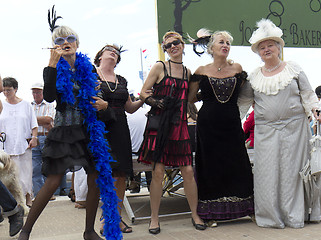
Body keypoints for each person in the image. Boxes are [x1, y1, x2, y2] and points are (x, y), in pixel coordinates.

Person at [18, 22, 117, 240]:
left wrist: (102, 103)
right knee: (53, 181)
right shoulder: (53, 68)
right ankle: (25, 231)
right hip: (64, 130)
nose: (65, 43)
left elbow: (96, 94)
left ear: (77, 42)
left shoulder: (88, 67)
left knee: (95, 177)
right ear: (54, 47)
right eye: (59, 41)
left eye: (69, 38)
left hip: (88, 129)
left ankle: (89, 231)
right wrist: (51, 66)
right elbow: (51, 96)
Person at [241, 18, 321, 228]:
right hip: (265, 132)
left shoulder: (294, 69)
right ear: (258, 52)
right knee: (267, 173)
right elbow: (244, 103)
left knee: (294, 172)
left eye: (270, 45)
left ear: (279, 47)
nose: (266, 49)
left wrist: (315, 111)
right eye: (262, 47)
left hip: (296, 129)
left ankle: (295, 214)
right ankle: (271, 216)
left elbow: (308, 95)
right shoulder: (253, 77)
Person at [138, 31, 206, 234]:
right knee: (158, 172)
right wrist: (155, 101)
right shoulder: (160, 66)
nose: (173, 47)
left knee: (188, 171)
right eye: (168, 45)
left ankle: (195, 214)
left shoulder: (187, 71)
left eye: (176, 43)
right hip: (159, 123)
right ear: (165, 49)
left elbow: (190, 98)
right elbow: (143, 92)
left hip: (180, 124)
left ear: (183, 45)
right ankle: (154, 218)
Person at [188, 29, 254, 225]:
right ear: (211, 48)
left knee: (238, 162)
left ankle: (246, 208)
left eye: (227, 43)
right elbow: (191, 98)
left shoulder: (238, 69)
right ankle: (210, 214)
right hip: (208, 125)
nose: (225, 45)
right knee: (209, 165)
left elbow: (242, 94)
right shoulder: (200, 70)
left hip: (232, 123)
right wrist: (206, 96)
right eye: (221, 42)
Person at [92, 44, 145, 234]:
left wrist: (144, 99)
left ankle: (116, 217)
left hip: (121, 128)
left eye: (117, 51)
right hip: (100, 128)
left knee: (121, 173)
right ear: (100, 55)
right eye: (109, 49)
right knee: (105, 173)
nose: (114, 52)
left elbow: (129, 107)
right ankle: (106, 218)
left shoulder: (121, 80)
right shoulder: (91, 74)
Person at [0, 77, 38, 208]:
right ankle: (11, 202)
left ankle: (27, 197)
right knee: (7, 175)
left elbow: (34, 124)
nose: (6, 93)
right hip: (5, 146)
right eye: (4, 90)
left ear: (16, 89)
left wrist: (34, 137)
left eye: (9, 90)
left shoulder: (26, 105)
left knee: (25, 173)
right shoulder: (1, 104)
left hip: (23, 144)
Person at [30, 83, 56, 198]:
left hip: (46, 137)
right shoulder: (29, 105)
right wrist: (41, 121)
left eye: (38, 92)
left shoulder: (50, 104)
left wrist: (33, 120)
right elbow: (44, 121)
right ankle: (39, 194)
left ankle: (49, 193)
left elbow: (48, 119)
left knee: (48, 166)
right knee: (35, 168)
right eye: (34, 92)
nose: (36, 94)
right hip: (34, 137)